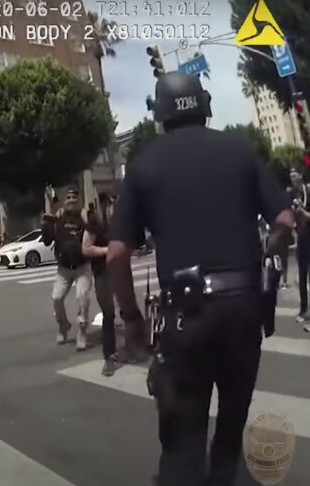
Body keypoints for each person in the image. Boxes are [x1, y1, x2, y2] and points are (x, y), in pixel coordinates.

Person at [107, 71, 294, 486]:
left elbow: (117, 254)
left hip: (186, 318)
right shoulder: (239, 150)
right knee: (231, 428)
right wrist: (267, 259)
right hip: (244, 310)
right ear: (205, 104)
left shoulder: (143, 166)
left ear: (160, 114)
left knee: (182, 442)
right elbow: (284, 220)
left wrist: (132, 319)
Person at [42, 188, 93, 350]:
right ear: (64, 201)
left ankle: (82, 332)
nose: (71, 200)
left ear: (78, 200)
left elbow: (97, 233)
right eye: (68, 197)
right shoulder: (59, 218)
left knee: (82, 296)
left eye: (74, 197)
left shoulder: (85, 217)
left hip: (82, 266)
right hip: (63, 268)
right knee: (56, 298)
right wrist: (46, 224)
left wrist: (88, 220)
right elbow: (47, 241)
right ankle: (63, 325)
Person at [82, 202, 120, 376]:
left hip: (120, 269)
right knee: (109, 312)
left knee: (127, 310)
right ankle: (108, 356)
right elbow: (86, 249)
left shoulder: (122, 219)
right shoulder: (95, 221)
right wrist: (107, 250)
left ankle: (131, 348)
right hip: (102, 273)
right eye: (112, 202)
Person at [286, 167, 310, 321]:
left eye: (295, 176)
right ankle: (303, 310)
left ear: (300, 176)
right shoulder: (291, 194)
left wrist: (301, 210)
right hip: (301, 239)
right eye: (291, 176)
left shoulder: (308, 191)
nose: (293, 179)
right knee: (302, 277)